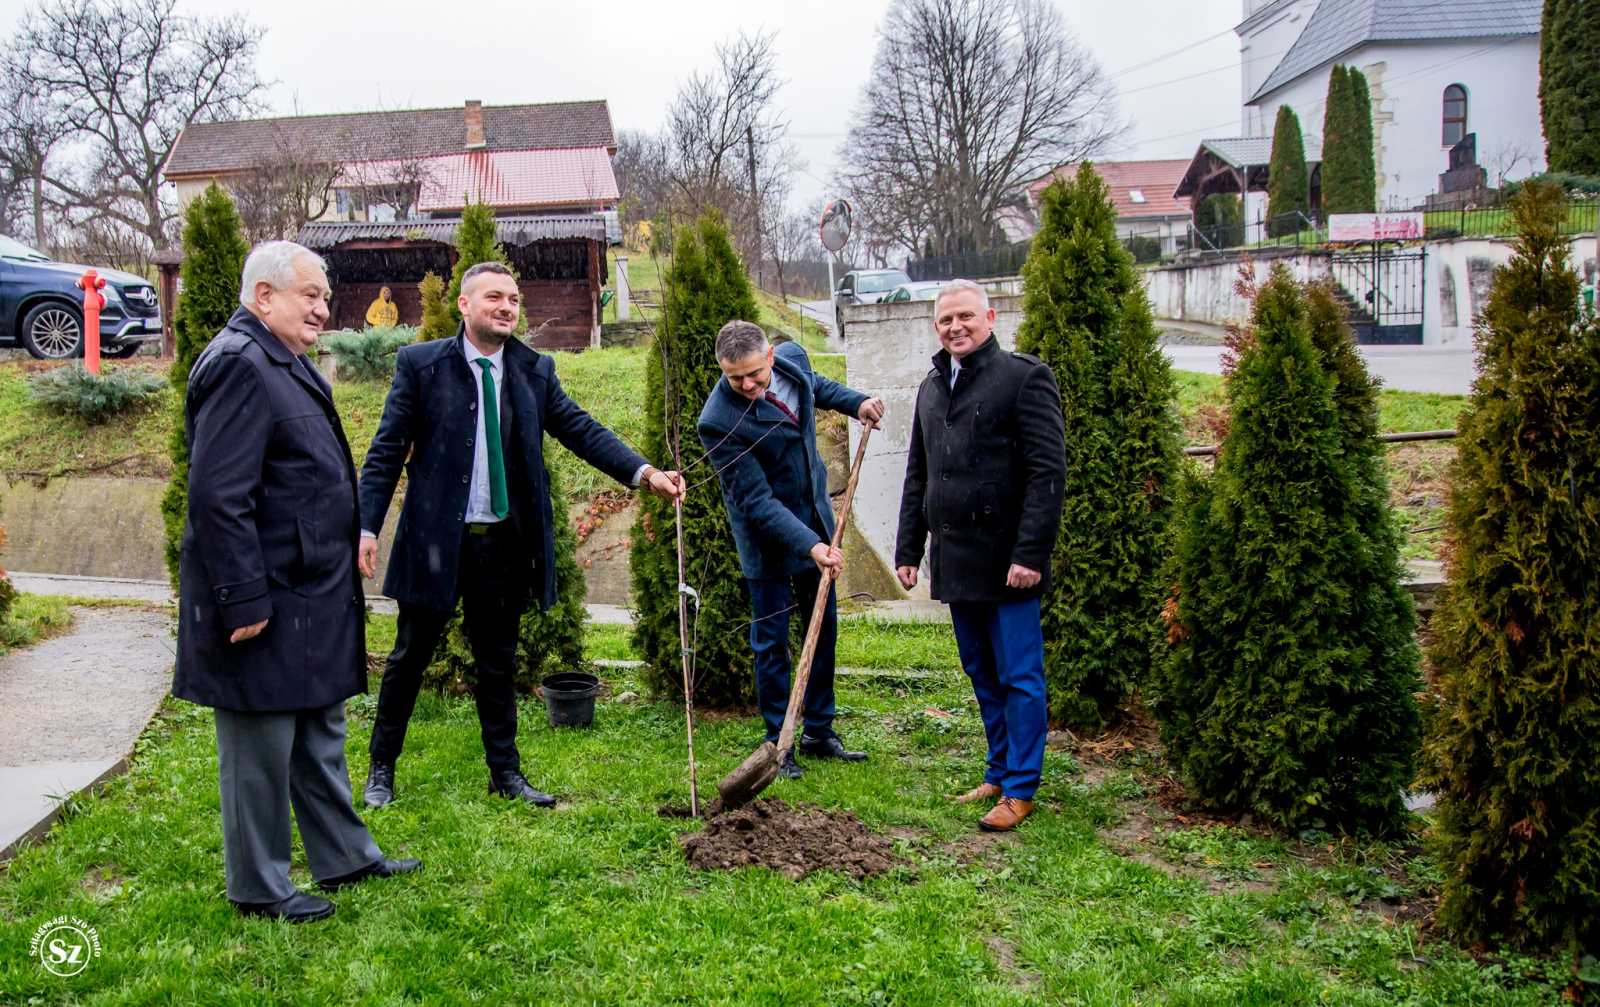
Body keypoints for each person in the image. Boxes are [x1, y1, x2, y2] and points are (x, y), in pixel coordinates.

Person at [357, 261, 683, 809]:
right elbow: (386, 448)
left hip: (501, 545)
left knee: (498, 662)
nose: (507, 306)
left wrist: (644, 472)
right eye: (494, 298)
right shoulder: (422, 366)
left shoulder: (535, 370)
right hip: (437, 540)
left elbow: (580, 428)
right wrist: (366, 525)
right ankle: (380, 770)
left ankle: (505, 774)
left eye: (513, 298)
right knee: (409, 657)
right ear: (465, 305)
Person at [173, 241, 419, 924]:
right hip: (266, 595)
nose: (322, 306)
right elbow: (219, 496)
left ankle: (343, 854)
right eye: (308, 294)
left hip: (308, 591)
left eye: (323, 293)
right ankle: (259, 885)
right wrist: (242, 598)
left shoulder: (281, 360)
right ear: (263, 297)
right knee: (259, 744)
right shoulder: (240, 365)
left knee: (318, 729)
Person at [893, 279, 1066, 832]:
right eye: (945, 320)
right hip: (956, 560)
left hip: (1010, 563)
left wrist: (1030, 553)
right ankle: (998, 768)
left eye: (965, 316)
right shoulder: (930, 387)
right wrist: (908, 548)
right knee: (980, 671)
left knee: (1020, 675)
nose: (955, 327)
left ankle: (1021, 789)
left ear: (989, 317)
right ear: (936, 327)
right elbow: (918, 472)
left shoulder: (1023, 379)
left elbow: (1048, 472)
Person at [698, 320, 885, 778]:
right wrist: (811, 547)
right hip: (767, 540)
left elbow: (817, 388)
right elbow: (757, 502)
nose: (746, 385)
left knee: (822, 627)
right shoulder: (718, 419)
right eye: (734, 377)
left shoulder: (795, 361)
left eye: (754, 375)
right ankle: (778, 741)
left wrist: (856, 401)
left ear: (770, 358)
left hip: (816, 519)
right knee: (772, 641)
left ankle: (820, 731)